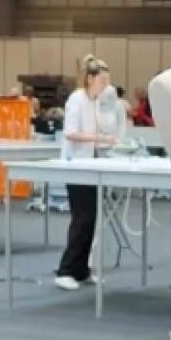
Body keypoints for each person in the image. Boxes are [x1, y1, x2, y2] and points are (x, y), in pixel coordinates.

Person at [55, 54, 118, 292]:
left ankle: (81, 269)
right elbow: (70, 132)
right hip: (75, 165)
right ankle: (66, 269)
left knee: (91, 218)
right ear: (90, 78)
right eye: (101, 82)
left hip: (89, 164)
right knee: (82, 218)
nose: (104, 87)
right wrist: (100, 138)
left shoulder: (93, 103)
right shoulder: (77, 100)